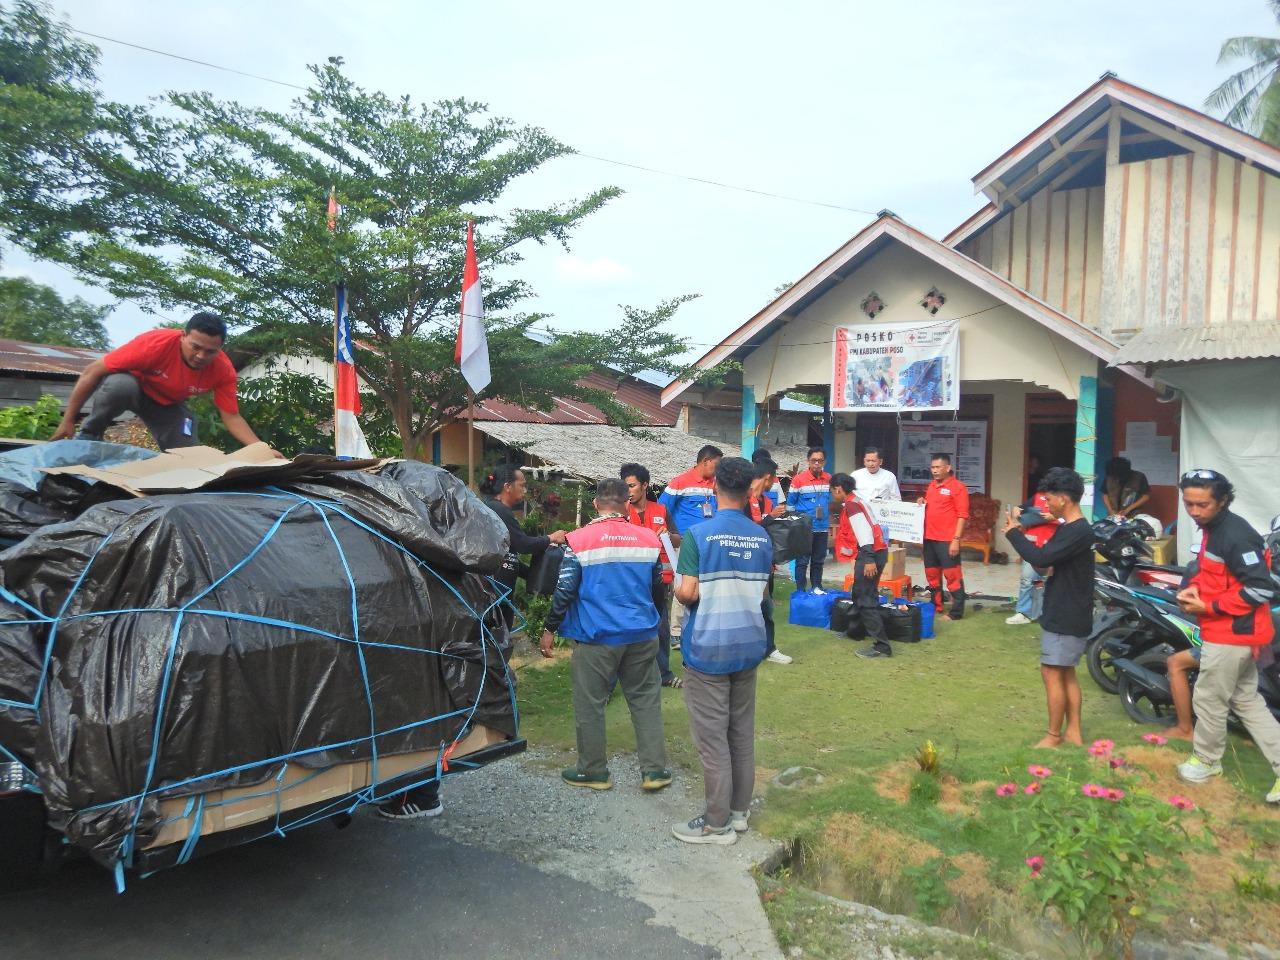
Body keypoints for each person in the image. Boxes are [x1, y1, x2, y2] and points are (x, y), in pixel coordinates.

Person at [540, 478, 671, 793]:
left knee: (591, 703)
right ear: (628, 504)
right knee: (645, 701)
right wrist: (651, 620)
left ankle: (593, 770)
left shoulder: (579, 540)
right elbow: (658, 587)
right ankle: (655, 771)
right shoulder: (649, 539)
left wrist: (549, 627)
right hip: (641, 634)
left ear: (596, 504)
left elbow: (565, 590)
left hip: (597, 638)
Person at [672, 457, 772, 844]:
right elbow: (763, 593)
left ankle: (716, 825)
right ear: (750, 491)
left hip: (709, 648)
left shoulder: (698, 535)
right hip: (749, 645)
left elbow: (688, 592)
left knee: (712, 739)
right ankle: (739, 813)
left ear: (714, 487)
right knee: (741, 733)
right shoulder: (762, 537)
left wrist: (679, 586)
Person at [1173, 470, 1280, 804]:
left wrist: (1210, 605)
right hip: (1232, 633)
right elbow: (1216, 575)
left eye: (1202, 504)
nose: (1194, 511)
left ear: (1222, 500)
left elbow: (1263, 588)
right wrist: (1195, 589)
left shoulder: (1235, 535)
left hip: (1233, 635)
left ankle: (1206, 761)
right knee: (1246, 700)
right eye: (1188, 503)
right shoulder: (1212, 527)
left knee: (1209, 698)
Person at [52, 312, 273, 452]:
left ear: (220, 349)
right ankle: (91, 433)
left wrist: (260, 448)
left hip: (169, 405)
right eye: (195, 347)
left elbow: (231, 416)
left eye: (210, 351)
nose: (200, 356)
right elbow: (92, 371)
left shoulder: (222, 371)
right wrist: (69, 420)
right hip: (135, 388)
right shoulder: (154, 344)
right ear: (183, 336)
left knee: (188, 455)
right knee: (120, 385)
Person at [1003, 467, 1097, 748]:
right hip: (1069, 607)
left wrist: (1013, 534)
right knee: (1066, 671)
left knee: (1052, 671)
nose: (1046, 505)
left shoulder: (1077, 531)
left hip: (1066, 610)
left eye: (1049, 499)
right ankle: (1074, 732)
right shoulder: (1071, 529)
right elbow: (1044, 562)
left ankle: (1054, 735)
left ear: (1064, 499)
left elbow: (1040, 556)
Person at [480, 465, 568, 632]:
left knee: (499, 639)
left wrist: (535, 575)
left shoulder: (496, 509)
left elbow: (508, 557)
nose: (525, 489)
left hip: (499, 590)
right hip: (495, 592)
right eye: (522, 485)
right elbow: (523, 544)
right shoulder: (499, 510)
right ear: (507, 486)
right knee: (497, 641)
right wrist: (551, 538)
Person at [620, 462, 681, 688]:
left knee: (661, 629)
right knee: (626, 632)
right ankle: (620, 680)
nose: (629, 491)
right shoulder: (620, 513)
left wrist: (668, 535)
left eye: (633, 486)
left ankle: (663, 674)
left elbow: (678, 539)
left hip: (659, 583)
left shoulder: (661, 511)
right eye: (625, 487)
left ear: (644, 485)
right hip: (630, 582)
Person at [829, 473, 891, 659]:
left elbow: (865, 534)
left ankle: (882, 646)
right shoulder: (857, 500)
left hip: (870, 553)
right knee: (858, 592)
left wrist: (869, 559)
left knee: (866, 598)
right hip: (874, 551)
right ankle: (855, 631)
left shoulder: (852, 505)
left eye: (832, 491)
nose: (832, 494)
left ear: (838, 489)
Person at [746, 458, 791, 665]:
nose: (774, 482)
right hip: (743, 563)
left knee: (765, 606)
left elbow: (767, 530)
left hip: (764, 563)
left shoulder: (767, 501)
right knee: (743, 608)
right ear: (767, 477)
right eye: (774, 478)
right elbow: (746, 529)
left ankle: (769, 649)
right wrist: (770, 518)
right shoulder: (741, 499)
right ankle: (746, 648)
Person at [918, 453, 969, 620]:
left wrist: (956, 540)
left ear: (948, 468)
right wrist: (922, 502)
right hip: (930, 538)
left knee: (952, 576)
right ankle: (936, 606)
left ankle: (956, 612)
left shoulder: (958, 487)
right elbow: (930, 507)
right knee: (932, 575)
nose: (934, 471)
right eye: (932, 467)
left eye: (938, 467)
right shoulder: (932, 486)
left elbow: (962, 515)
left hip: (948, 539)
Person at [1005, 491, 1058, 626]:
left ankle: (1047, 613)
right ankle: (1023, 613)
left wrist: (1054, 517)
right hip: (1032, 546)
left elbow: (1070, 520)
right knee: (1027, 579)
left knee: (1050, 582)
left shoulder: (1063, 498)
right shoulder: (1037, 496)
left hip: (1053, 546)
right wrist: (1018, 510)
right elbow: (1023, 508)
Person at [787, 447, 832, 593]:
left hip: (822, 527)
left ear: (824, 461)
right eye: (814, 460)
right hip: (804, 529)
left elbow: (833, 501)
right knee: (802, 562)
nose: (817, 464)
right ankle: (801, 590)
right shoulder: (799, 480)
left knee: (818, 561)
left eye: (820, 461)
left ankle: (817, 587)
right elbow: (790, 505)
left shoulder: (829, 479)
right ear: (808, 461)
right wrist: (794, 526)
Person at [851, 447, 902, 513]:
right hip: (859, 513)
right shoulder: (855, 475)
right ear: (864, 461)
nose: (870, 464)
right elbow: (849, 495)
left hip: (882, 514)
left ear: (880, 461)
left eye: (873, 461)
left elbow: (896, 499)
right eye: (868, 461)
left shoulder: (889, 476)